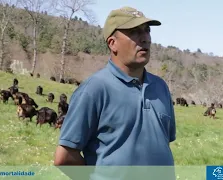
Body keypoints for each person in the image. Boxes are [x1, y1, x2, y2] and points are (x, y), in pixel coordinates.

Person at [54, 6, 176, 180]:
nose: (145, 38)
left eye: (147, 31)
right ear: (113, 43)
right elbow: (64, 158)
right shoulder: (94, 89)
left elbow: (164, 144)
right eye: (134, 32)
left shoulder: (160, 87)